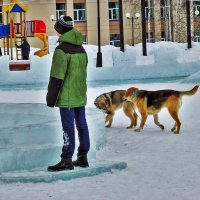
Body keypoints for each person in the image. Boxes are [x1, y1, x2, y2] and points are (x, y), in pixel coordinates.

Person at [46, 16, 90, 172]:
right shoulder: (82, 49)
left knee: (68, 128)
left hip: (67, 97)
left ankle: (66, 160)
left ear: (60, 30)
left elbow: (56, 77)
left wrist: (51, 99)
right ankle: (82, 157)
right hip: (80, 94)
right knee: (82, 126)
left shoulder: (61, 50)